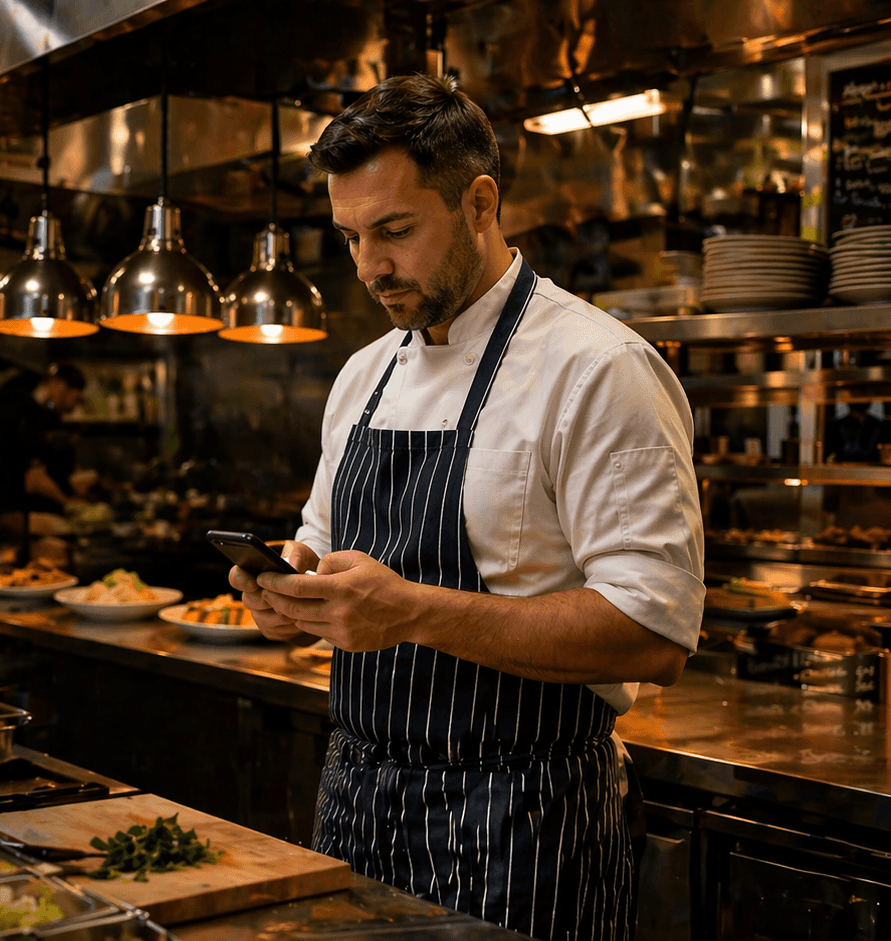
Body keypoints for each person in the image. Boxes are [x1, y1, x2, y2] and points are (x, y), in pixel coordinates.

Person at [229, 75, 703, 941]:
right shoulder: (364, 373)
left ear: (480, 201)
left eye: (396, 231)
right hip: (358, 799)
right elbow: (321, 544)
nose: (370, 266)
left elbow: (652, 632)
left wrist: (407, 611)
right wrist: (290, 592)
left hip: (526, 819)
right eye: (351, 237)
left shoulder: (597, 370)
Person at [0, 361, 90, 523]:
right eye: (73, 399)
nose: (72, 408)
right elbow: (33, 479)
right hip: (11, 510)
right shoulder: (26, 412)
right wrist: (69, 502)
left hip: (4, 505)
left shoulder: (24, 406)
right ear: (57, 384)